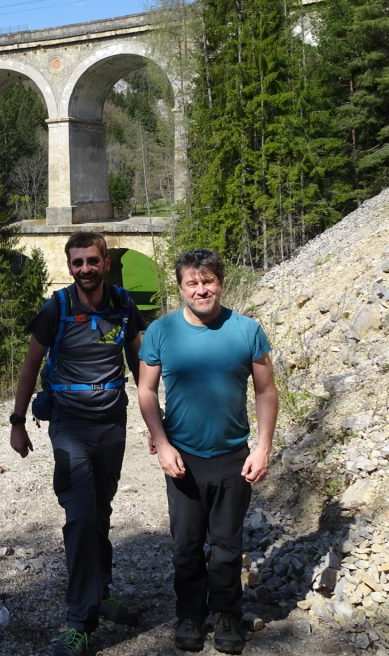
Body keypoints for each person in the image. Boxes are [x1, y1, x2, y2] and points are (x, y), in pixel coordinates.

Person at [10, 231, 146, 656]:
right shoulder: (58, 307)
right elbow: (31, 366)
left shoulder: (124, 305)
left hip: (112, 423)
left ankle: (101, 591)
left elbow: (140, 365)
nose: (84, 269)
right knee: (81, 515)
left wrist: (156, 424)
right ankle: (80, 620)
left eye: (92, 261)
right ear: (69, 267)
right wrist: (17, 422)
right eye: (77, 263)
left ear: (106, 263)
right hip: (69, 426)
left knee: (100, 510)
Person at [137, 249, 278, 655]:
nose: (202, 290)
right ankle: (190, 614)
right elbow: (145, 390)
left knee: (227, 546)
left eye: (208, 281)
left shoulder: (247, 330)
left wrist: (263, 447)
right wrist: (161, 443)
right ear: (180, 287)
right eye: (192, 283)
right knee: (186, 544)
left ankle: (227, 614)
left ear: (221, 282)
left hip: (233, 455)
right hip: (182, 457)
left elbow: (266, 391)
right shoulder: (161, 332)